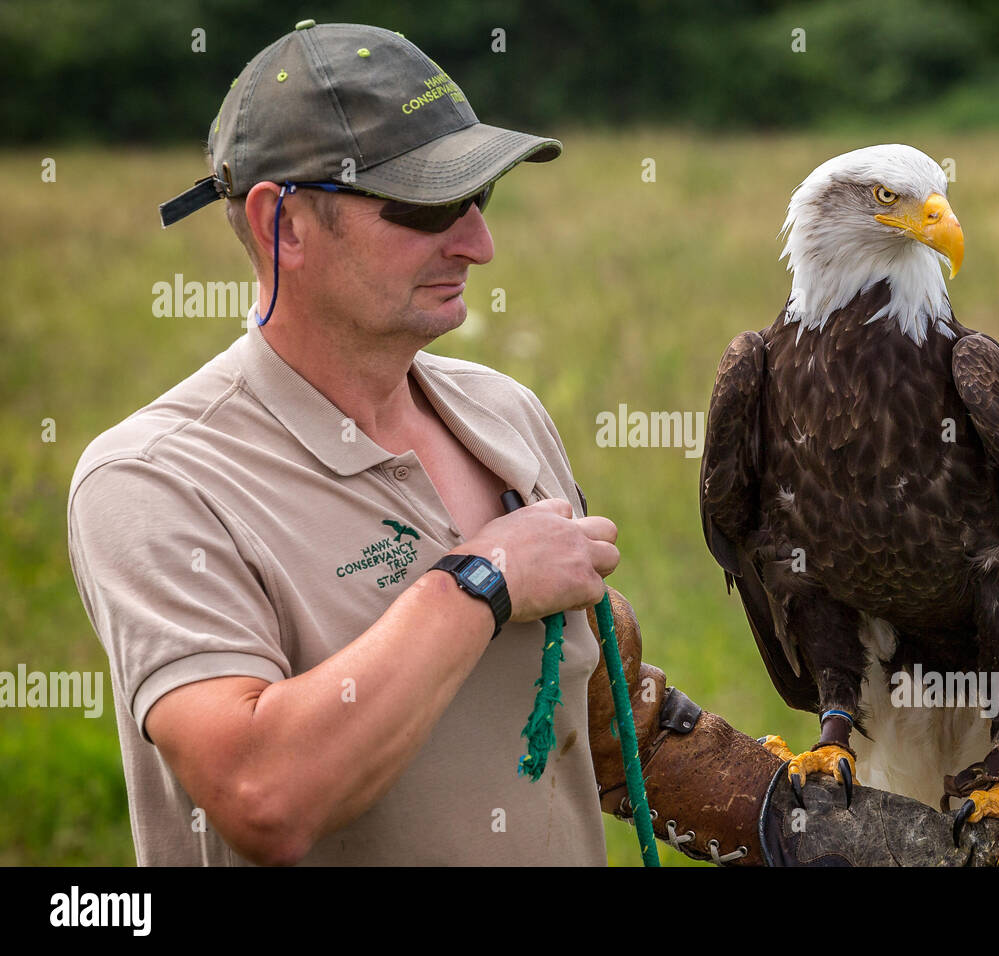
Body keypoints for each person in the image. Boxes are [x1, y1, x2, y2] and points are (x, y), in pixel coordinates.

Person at [66, 19, 774, 866]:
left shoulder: (504, 414)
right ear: (280, 225)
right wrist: (484, 580)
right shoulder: (155, 481)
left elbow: (579, 722)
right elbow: (263, 798)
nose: (479, 242)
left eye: (481, 198)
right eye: (430, 205)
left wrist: (788, 814)